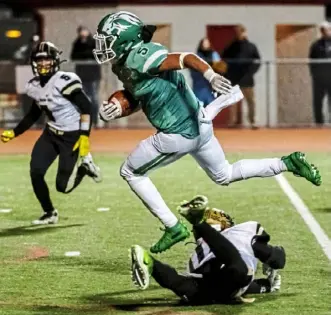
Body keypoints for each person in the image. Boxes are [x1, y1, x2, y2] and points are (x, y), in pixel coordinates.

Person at [94, 11, 321, 254]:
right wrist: (118, 110)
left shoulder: (141, 56)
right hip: (200, 125)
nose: (102, 46)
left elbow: (187, 57)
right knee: (225, 174)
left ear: (124, 38)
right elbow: (143, 96)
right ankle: (287, 163)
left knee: (130, 171)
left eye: (106, 39)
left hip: (178, 133)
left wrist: (210, 74)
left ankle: (173, 227)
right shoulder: (126, 62)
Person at [1, 41, 102, 224]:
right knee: (36, 172)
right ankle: (49, 212)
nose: (43, 63)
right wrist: (14, 133)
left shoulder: (64, 81)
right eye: (39, 60)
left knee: (62, 187)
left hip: (71, 136)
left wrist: (84, 137)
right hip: (50, 134)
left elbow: (86, 107)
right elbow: (34, 113)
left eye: (47, 59)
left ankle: (84, 168)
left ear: (55, 60)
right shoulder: (34, 85)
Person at [130, 195, 284, 304]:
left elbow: (239, 285)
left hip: (217, 289)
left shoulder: (196, 255)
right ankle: (198, 223)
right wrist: (272, 263)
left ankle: (152, 263)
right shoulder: (241, 231)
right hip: (230, 276)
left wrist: (266, 285)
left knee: (186, 287)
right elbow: (278, 258)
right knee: (237, 268)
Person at [221, 25, 261, 129]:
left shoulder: (251, 46)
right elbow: (224, 58)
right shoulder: (232, 47)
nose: (240, 34)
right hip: (234, 79)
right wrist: (228, 73)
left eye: (242, 32)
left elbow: (257, 61)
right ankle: (233, 121)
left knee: (251, 101)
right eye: (238, 32)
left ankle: (253, 122)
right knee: (233, 102)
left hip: (247, 79)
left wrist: (251, 72)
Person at [71, 26, 101, 126]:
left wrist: (85, 54)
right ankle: (84, 120)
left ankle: (95, 120)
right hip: (82, 75)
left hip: (93, 75)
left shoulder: (93, 42)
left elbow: (97, 55)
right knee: (83, 98)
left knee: (94, 97)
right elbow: (74, 56)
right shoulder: (77, 43)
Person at [309, 21, 331, 126]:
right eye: (322, 30)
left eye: (326, 29)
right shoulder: (315, 45)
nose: (325, 32)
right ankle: (319, 123)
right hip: (319, 79)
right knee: (317, 102)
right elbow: (311, 61)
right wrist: (315, 75)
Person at [191, 38, 221, 106]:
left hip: (210, 87)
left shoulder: (214, 55)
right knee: (199, 108)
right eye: (204, 43)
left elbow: (220, 68)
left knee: (211, 108)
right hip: (199, 86)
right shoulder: (197, 56)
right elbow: (193, 70)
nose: (205, 45)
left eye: (207, 43)